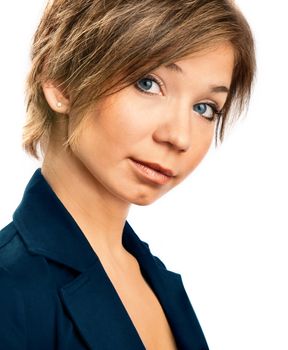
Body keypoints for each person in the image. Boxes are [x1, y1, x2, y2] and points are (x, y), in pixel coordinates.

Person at [0, 0, 255, 349]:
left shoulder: (163, 285)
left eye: (204, 108)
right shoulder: (9, 286)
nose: (179, 136)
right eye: (148, 83)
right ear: (59, 80)